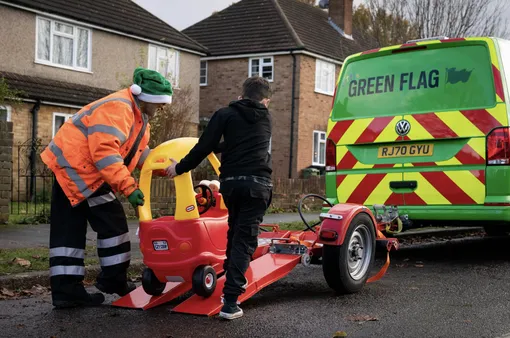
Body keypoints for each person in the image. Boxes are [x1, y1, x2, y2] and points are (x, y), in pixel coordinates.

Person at [40, 67, 173, 309]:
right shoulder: (119, 108)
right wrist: (129, 187)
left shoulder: (137, 117)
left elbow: (138, 153)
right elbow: (105, 153)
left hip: (78, 170)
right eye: (160, 103)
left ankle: (68, 291)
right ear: (147, 98)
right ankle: (112, 280)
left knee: (69, 231)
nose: (162, 109)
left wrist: (168, 167)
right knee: (112, 223)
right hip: (82, 171)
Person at [166, 76, 273, 320]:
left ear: (240, 96)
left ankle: (230, 279)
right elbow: (238, 142)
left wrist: (180, 167)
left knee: (235, 232)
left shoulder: (225, 114)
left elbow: (206, 146)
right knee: (244, 239)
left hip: (232, 184)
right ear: (265, 101)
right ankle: (231, 302)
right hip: (258, 184)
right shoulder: (266, 117)